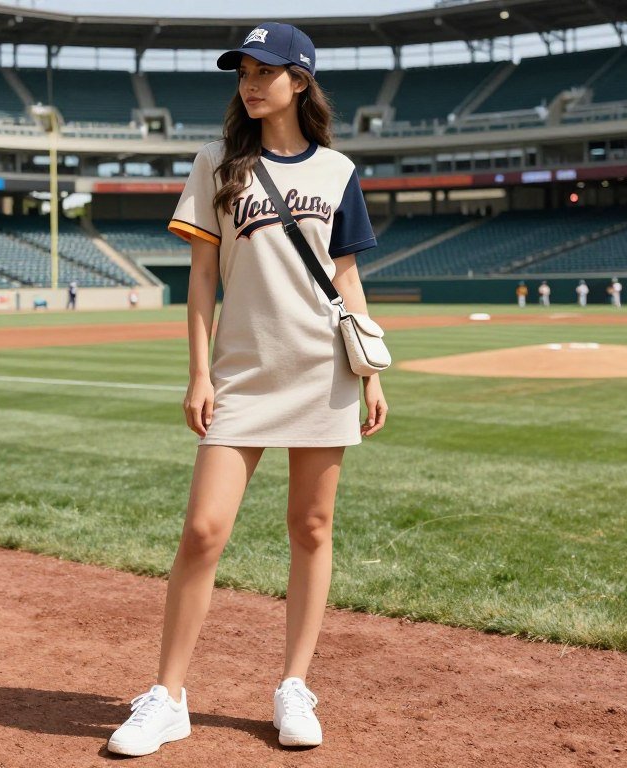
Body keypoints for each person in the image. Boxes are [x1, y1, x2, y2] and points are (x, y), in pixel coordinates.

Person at [106, 21, 388, 757]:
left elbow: (347, 275)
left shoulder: (338, 172)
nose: (251, 83)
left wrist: (372, 370)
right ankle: (167, 696)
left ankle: (294, 685)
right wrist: (198, 372)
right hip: (240, 374)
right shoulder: (215, 164)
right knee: (203, 531)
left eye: (266, 71)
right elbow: (201, 281)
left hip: (321, 370)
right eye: (243, 72)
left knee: (312, 529)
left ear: (301, 80)